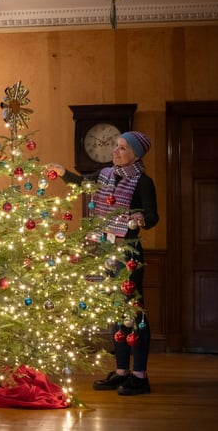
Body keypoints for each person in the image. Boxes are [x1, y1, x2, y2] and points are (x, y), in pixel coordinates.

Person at [46, 130, 159, 396]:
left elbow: (153, 216)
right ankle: (121, 372)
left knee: (134, 313)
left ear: (135, 154)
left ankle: (140, 376)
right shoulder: (106, 175)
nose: (115, 151)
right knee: (115, 313)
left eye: (122, 148)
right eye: (116, 146)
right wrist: (63, 172)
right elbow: (83, 182)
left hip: (127, 254)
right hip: (105, 252)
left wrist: (142, 218)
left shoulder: (143, 181)